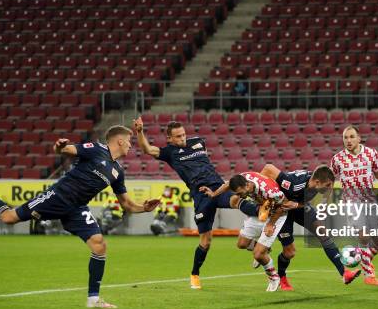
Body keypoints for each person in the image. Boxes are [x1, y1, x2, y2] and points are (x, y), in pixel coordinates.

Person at [0, 126, 160, 309]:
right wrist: (60, 146)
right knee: (9, 217)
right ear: (120, 140)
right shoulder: (96, 149)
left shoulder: (117, 172)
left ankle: (93, 299)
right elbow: (65, 149)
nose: (131, 146)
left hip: (77, 208)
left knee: (99, 245)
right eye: (130, 141)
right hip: (58, 197)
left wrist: (144, 208)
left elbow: (127, 204)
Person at [133, 117, 259, 290]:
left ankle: (265, 215)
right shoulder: (169, 152)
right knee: (206, 241)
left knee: (237, 199)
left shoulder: (198, 142)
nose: (182, 138)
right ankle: (195, 274)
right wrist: (139, 131)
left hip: (217, 187)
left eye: (183, 134)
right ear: (169, 138)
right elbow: (147, 149)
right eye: (177, 136)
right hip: (200, 196)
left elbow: (204, 164)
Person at [259, 164, 361, 290]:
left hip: (297, 207)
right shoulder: (293, 183)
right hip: (281, 211)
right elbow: (268, 168)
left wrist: (296, 205)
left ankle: (344, 273)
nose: (330, 188)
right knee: (290, 252)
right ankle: (282, 277)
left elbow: (307, 198)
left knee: (323, 233)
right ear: (317, 182)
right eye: (328, 185)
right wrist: (262, 194)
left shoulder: (316, 181)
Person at [330, 125, 378, 286]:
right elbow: (329, 179)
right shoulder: (337, 159)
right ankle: (369, 275)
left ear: (359, 138)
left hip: (369, 199)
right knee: (363, 235)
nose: (348, 140)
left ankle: (363, 257)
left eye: (351, 137)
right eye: (345, 138)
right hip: (351, 200)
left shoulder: (371, 153)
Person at [201, 171, 294, 291]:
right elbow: (228, 184)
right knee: (242, 244)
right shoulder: (242, 179)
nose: (239, 196)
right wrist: (214, 194)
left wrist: (270, 224)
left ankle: (273, 277)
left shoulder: (270, 191)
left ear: (247, 185)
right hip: (263, 209)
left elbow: (283, 206)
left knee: (258, 254)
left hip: (277, 214)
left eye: (240, 193)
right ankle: (265, 250)